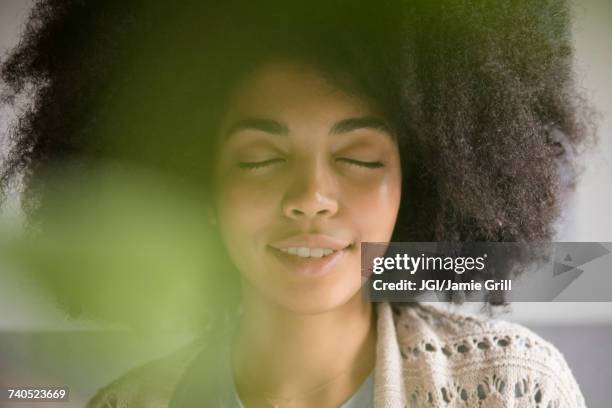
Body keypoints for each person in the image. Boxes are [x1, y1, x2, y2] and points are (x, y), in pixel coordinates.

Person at [0, 0, 592, 406]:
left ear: (420, 183)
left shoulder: (511, 385)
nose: (310, 197)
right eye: (261, 159)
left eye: (359, 159)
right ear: (200, 187)